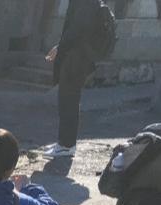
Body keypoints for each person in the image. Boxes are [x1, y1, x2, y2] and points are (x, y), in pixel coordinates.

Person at [40, 0, 109, 159]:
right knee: (67, 99)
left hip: (77, 56)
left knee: (68, 99)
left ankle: (66, 145)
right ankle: (64, 142)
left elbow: (78, 28)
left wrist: (60, 47)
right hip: (76, 55)